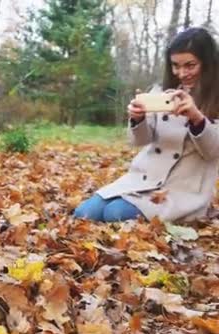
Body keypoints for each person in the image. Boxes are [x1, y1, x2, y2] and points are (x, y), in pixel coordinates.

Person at [74, 27, 219, 223]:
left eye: (190, 65)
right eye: (175, 65)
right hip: (142, 179)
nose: (182, 73)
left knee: (115, 214)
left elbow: (213, 152)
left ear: (208, 63)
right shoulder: (161, 90)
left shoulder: (215, 97)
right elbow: (140, 140)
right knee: (84, 214)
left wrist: (196, 118)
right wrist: (137, 118)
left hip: (182, 189)